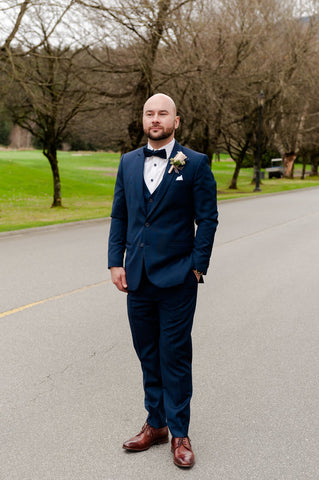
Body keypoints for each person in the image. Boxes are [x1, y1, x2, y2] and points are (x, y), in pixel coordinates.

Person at [108, 93, 218, 468]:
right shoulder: (127, 163)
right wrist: (115, 262)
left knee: (174, 355)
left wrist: (197, 266)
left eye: (163, 113)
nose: (155, 119)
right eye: (149, 113)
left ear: (176, 120)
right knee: (147, 353)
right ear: (143, 119)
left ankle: (180, 432)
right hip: (136, 276)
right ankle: (155, 424)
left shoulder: (196, 164)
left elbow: (208, 218)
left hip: (177, 278)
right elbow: (120, 216)